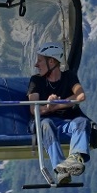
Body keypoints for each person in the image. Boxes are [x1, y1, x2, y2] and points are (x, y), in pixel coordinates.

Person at [26, 42, 90, 184]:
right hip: (42, 122)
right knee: (47, 124)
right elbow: (33, 109)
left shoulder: (69, 77)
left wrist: (56, 105)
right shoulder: (36, 81)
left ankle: (74, 158)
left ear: (51, 61)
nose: (36, 65)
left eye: (40, 61)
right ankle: (60, 168)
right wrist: (49, 107)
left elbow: (80, 96)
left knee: (82, 122)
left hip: (65, 122)